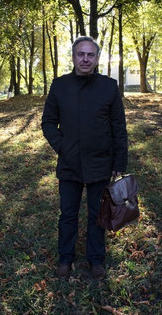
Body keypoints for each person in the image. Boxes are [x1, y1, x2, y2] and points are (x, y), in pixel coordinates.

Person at [41, 36, 128, 280]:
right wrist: (62, 147)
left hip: (101, 163)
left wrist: (119, 164)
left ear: (97, 58)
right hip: (69, 164)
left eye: (91, 55)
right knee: (68, 214)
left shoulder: (109, 87)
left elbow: (118, 127)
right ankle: (65, 258)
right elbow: (48, 122)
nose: (86, 59)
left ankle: (96, 259)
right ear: (74, 57)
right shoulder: (60, 86)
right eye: (81, 54)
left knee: (96, 215)